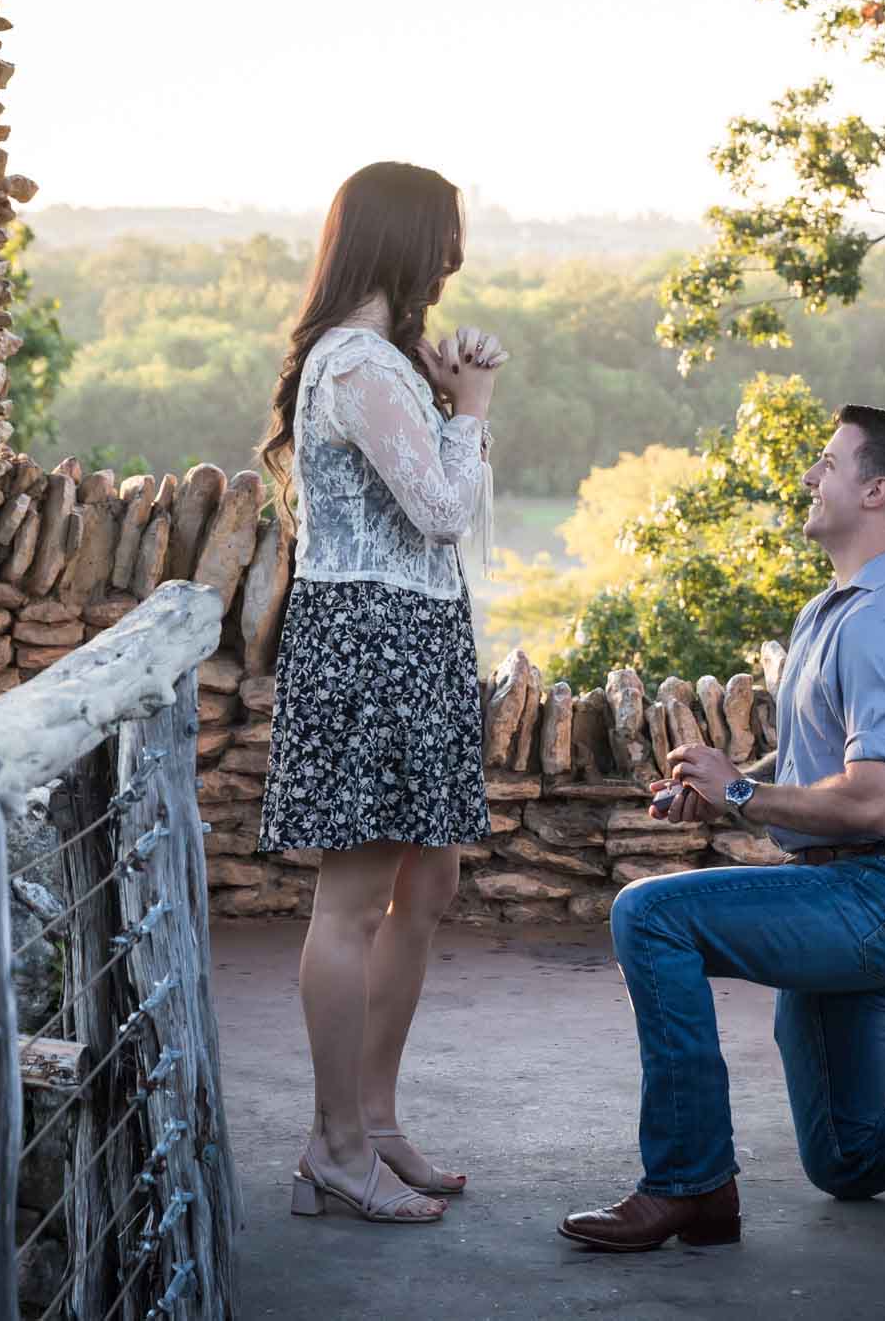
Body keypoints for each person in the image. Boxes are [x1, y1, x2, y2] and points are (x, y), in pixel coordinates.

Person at [559, 406, 885, 1252]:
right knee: (846, 1158)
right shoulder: (831, 611)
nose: (810, 477)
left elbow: (875, 800)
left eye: (828, 463)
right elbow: (825, 766)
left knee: (649, 914)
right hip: (843, 891)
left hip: (872, 897)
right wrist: (723, 791)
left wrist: (745, 792)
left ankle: (690, 1183)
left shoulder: (882, 620)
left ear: (876, 490)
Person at [256, 161, 508, 1226]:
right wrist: (473, 407)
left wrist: (447, 394)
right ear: (400, 240)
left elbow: (432, 515)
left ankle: (375, 1116)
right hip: (368, 640)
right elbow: (442, 511)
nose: (454, 258)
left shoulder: (390, 361)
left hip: (417, 633)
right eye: (443, 236)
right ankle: (334, 1145)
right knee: (354, 900)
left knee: (430, 881)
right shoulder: (354, 364)